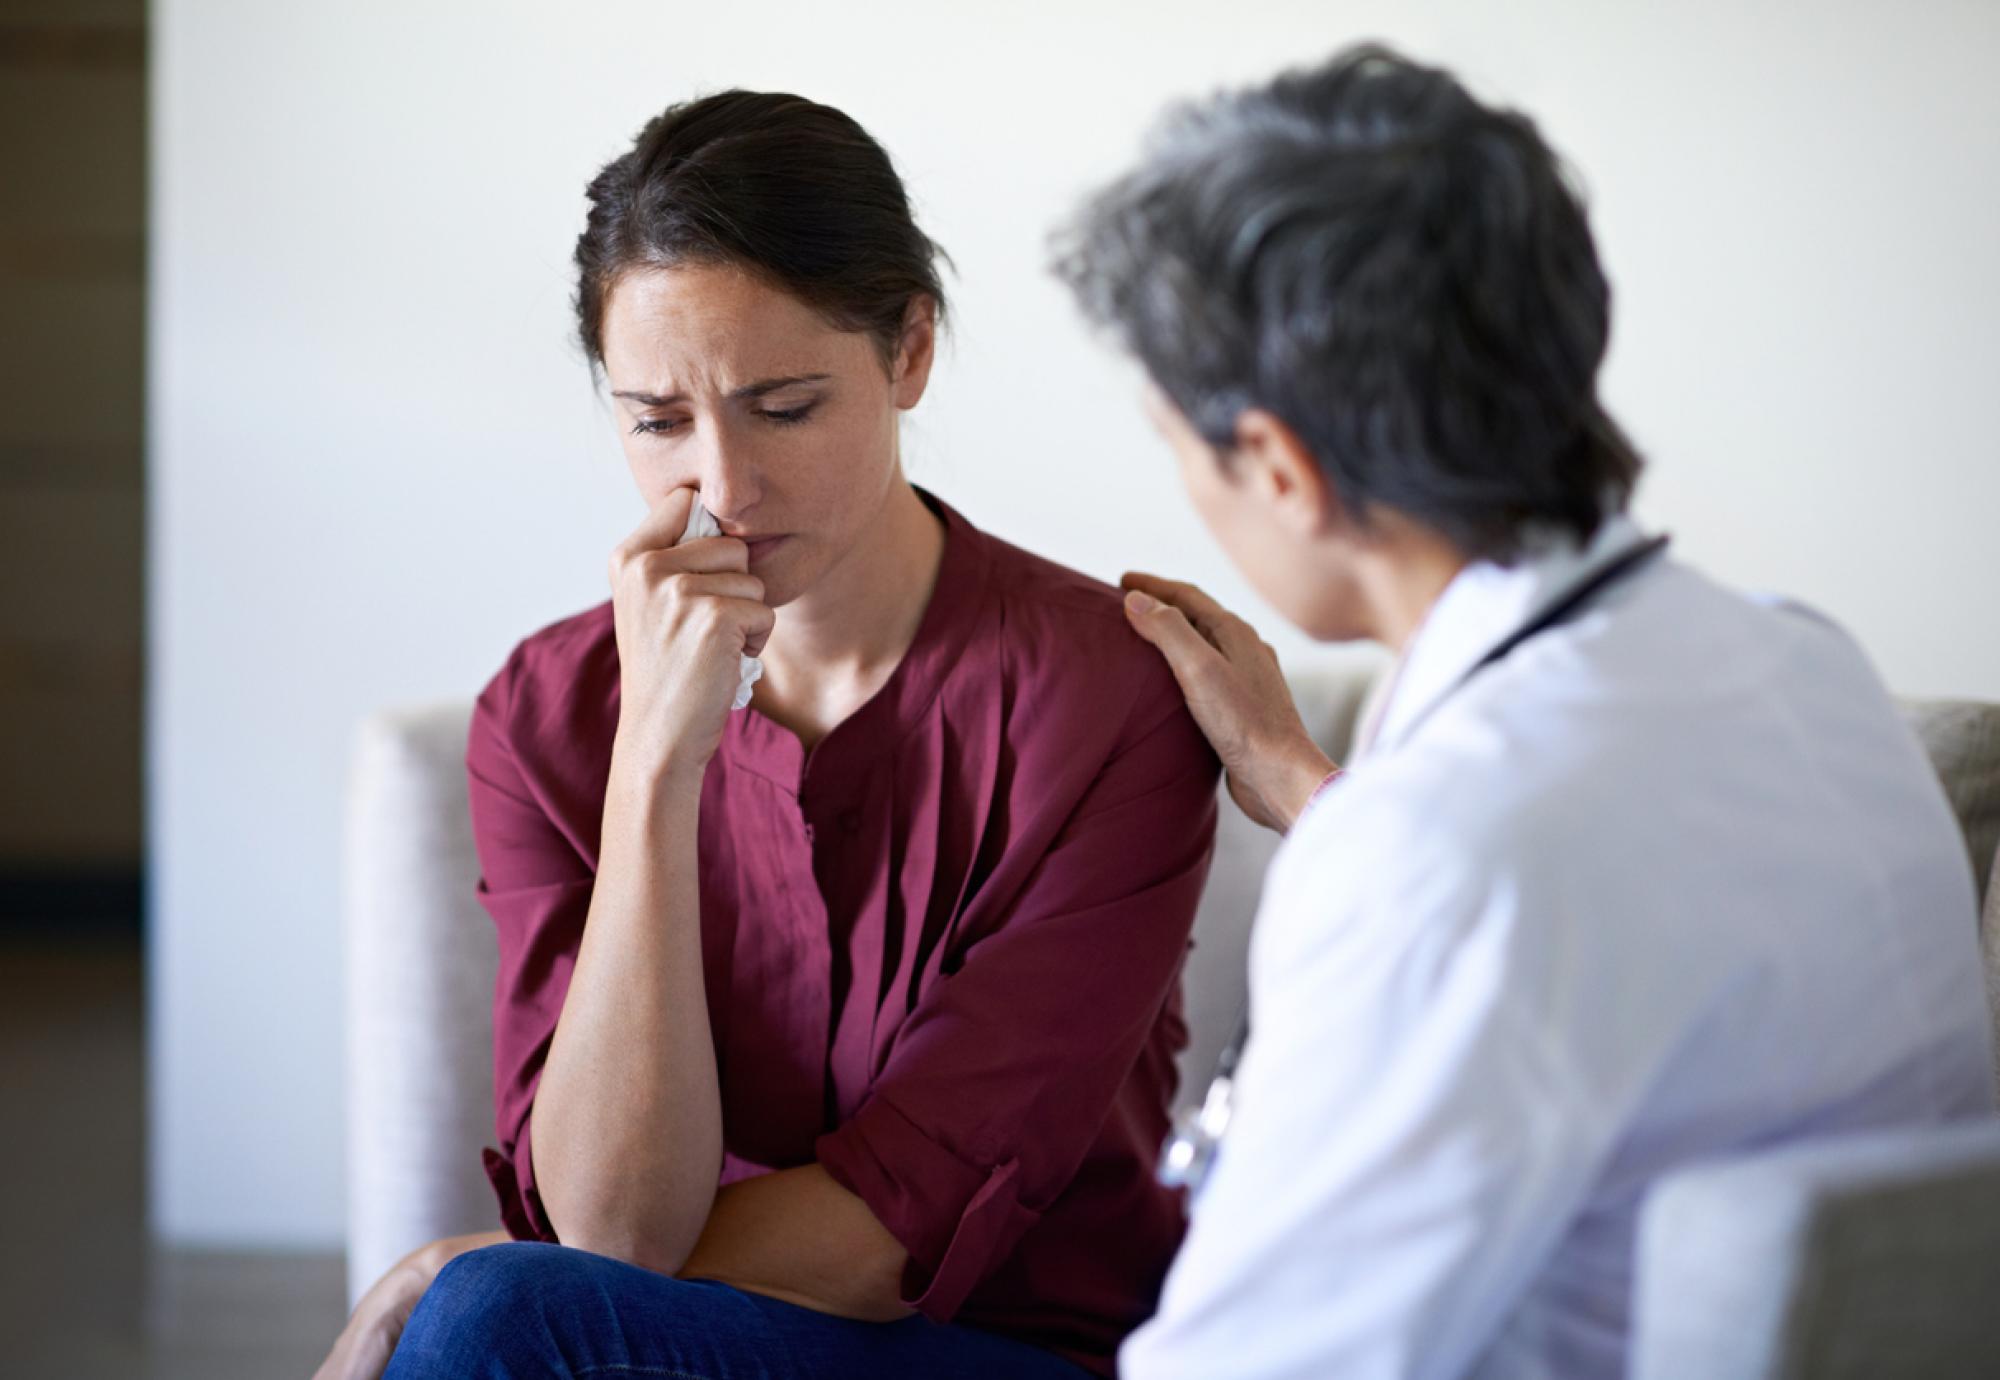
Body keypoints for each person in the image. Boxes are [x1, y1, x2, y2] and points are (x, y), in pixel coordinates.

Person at [1050, 44, 1998, 1380]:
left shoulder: (1445, 852)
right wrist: (1308, 783)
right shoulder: (1803, 668)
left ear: (1277, 466)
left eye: (1179, 442)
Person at [314, 90, 1220, 1380]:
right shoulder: (547, 714)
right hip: (654, 1344)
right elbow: (610, 1218)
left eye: (783, 405)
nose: (726, 489)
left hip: (1006, 1351)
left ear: (908, 351)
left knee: (499, 1320)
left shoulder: (1101, 702)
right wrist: (655, 767)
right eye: (658, 422)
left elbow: (884, 1242)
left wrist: (476, 1271)